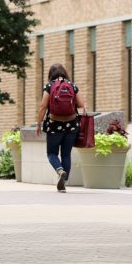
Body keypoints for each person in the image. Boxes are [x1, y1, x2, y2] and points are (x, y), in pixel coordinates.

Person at [35, 63, 86, 193]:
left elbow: (43, 106)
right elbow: (81, 105)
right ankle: (64, 180)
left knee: (52, 153)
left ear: (50, 74)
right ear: (65, 73)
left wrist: (38, 123)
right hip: (71, 125)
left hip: (53, 125)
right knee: (66, 154)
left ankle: (59, 170)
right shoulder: (72, 86)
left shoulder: (49, 86)